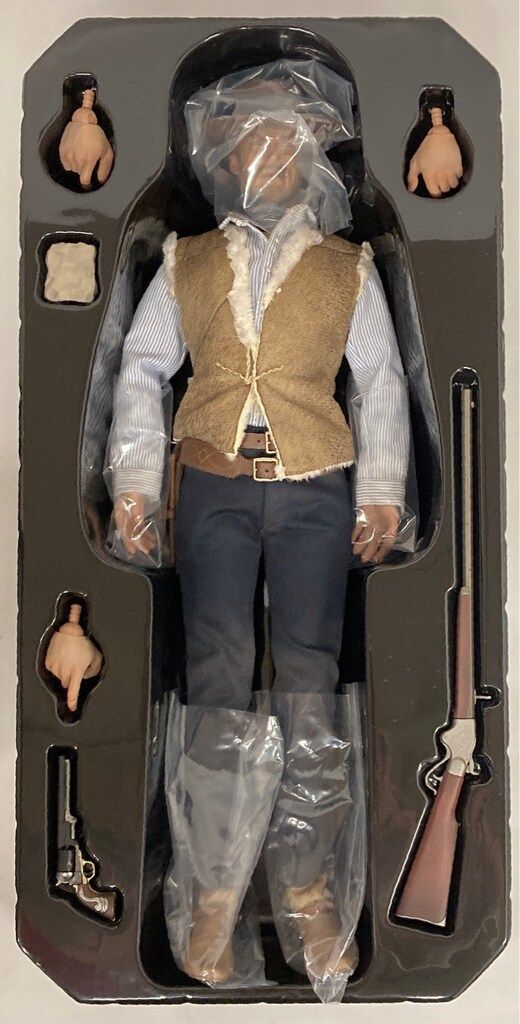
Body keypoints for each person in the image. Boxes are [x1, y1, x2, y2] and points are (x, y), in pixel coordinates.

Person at [46, 57, 447, 1000]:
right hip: (213, 486)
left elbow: (380, 380)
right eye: (244, 139)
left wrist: (381, 490)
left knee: (309, 669)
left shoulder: (345, 267)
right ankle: (214, 892)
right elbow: (143, 371)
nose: (263, 152)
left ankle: (310, 889)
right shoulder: (187, 262)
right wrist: (134, 482)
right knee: (217, 674)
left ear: (307, 157)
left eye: (281, 138)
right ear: (223, 158)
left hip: (315, 488)